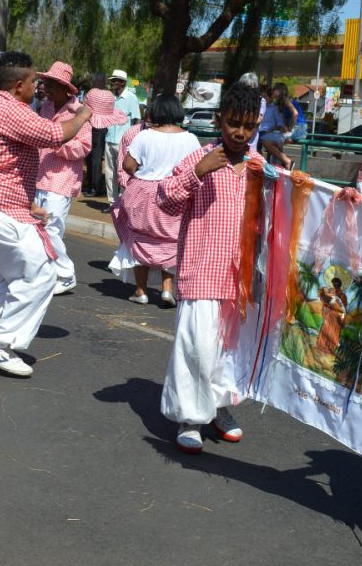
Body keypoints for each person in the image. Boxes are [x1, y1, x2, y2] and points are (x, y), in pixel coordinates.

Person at [0, 51, 92, 377]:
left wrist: (26, 204)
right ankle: (1, 345)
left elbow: (4, 164)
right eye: (33, 82)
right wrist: (84, 115)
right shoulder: (10, 108)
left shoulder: (1, 106)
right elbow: (56, 135)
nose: (37, 87)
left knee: (1, 278)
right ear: (18, 86)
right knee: (41, 274)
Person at [156, 82, 264, 453]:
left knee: (229, 353)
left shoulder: (259, 169)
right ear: (219, 120)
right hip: (202, 272)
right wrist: (198, 172)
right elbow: (165, 201)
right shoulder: (198, 159)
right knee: (197, 348)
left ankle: (219, 409)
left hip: (240, 280)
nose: (239, 133)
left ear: (257, 125)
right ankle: (190, 417)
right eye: (233, 123)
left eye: (248, 126)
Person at [111, 95, 200, 306]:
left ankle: (140, 290)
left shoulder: (145, 136)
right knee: (171, 240)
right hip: (176, 192)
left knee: (140, 237)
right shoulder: (191, 139)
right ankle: (167, 290)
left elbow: (128, 166)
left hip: (143, 192)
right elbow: (196, 168)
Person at [34, 61, 91, 296]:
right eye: (46, 84)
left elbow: (84, 147)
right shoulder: (46, 107)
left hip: (63, 177)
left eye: (52, 85)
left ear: (65, 88)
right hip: (42, 174)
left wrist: (58, 145)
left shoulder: (79, 111)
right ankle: (49, 272)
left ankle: (66, 274)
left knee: (53, 228)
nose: (47, 89)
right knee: (40, 227)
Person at [103, 69, 141, 206]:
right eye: (112, 80)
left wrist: (133, 140)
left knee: (122, 172)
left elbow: (137, 120)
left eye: (115, 80)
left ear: (123, 83)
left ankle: (122, 201)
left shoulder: (131, 98)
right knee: (109, 172)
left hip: (123, 143)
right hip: (108, 140)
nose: (113, 83)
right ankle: (112, 202)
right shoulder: (110, 98)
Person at [257, 82, 295, 169]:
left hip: (268, 132)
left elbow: (280, 123)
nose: (263, 99)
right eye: (262, 97)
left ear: (270, 98)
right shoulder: (258, 107)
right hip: (258, 131)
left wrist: (272, 128)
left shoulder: (275, 108)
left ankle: (269, 165)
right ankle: (260, 164)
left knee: (262, 139)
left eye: (265, 97)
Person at [83, 72, 108, 198]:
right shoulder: (90, 93)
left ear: (102, 82)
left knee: (96, 159)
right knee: (88, 157)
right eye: (93, 81)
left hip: (100, 128)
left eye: (96, 81)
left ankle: (96, 187)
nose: (93, 83)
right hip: (89, 127)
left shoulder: (106, 95)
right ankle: (90, 185)